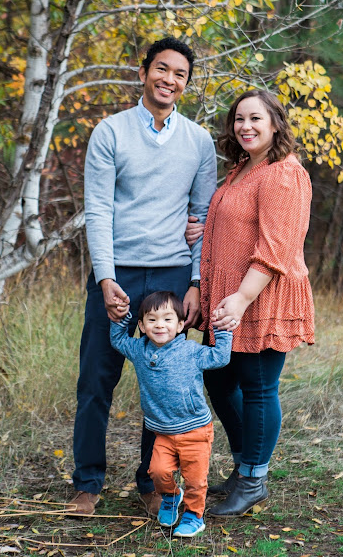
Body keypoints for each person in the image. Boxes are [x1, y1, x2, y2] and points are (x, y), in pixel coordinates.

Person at [70, 37, 217, 516]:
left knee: (166, 384)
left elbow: (202, 217)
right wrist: (105, 279)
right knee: (96, 378)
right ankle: (87, 484)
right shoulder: (110, 132)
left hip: (172, 273)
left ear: (186, 84)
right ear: (143, 72)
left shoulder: (198, 141)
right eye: (162, 69)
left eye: (180, 74)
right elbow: (98, 209)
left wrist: (195, 282)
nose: (169, 79)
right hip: (119, 273)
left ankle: (152, 482)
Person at [199, 89, 315, 517]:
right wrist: (204, 229)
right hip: (228, 297)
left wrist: (243, 298)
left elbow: (276, 248)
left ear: (275, 124)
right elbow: (235, 224)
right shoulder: (243, 168)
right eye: (239, 119)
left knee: (258, 386)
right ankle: (245, 463)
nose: (245, 126)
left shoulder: (283, 173)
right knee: (218, 380)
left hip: (260, 295)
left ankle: (253, 479)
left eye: (255, 119)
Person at [109, 291, 232, 536]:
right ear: (142, 326)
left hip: (195, 430)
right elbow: (118, 340)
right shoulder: (139, 350)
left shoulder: (190, 351)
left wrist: (223, 331)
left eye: (167, 319)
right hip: (162, 432)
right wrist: (121, 318)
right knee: (157, 471)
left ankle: (194, 516)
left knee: (195, 480)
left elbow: (220, 357)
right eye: (152, 320)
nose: (159, 325)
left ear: (180, 325)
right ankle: (171, 496)